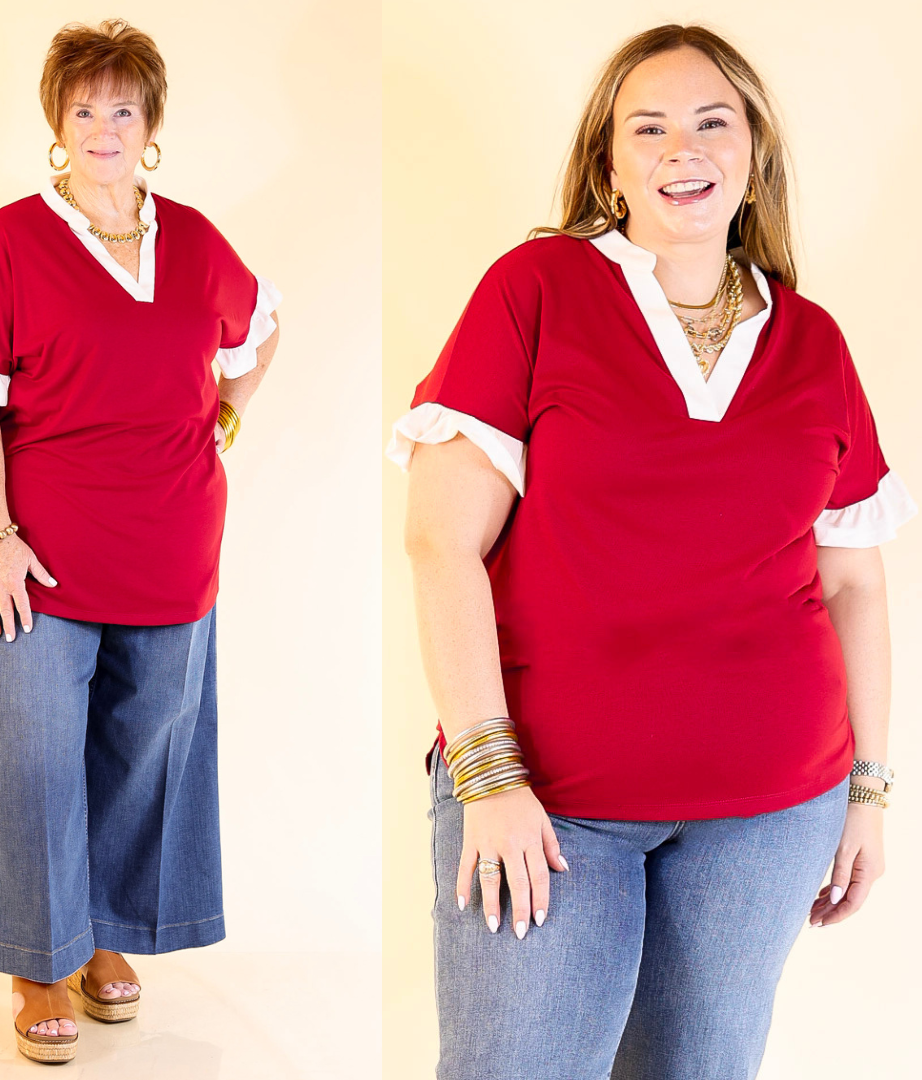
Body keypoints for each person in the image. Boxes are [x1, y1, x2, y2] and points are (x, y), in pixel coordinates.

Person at [388, 23, 916, 1080]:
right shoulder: (535, 291)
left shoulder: (813, 341)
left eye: (714, 123)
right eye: (651, 126)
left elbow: (852, 578)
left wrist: (868, 790)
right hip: (548, 801)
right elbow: (441, 540)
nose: (686, 148)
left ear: (753, 156)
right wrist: (488, 777)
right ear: (610, 164)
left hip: (768, 813)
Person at [0, 19, 281, 1064]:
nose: (104, 127)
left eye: (123, 108)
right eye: (84, 109)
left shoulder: (199, 242)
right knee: (38, 756)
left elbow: (260, 334)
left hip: (172, 554)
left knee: (140, 754)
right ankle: (41, 954)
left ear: (150, 124)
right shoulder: (12, 241)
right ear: (57, 125)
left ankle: (103, 939)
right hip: (32, 559)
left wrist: (226, 411)